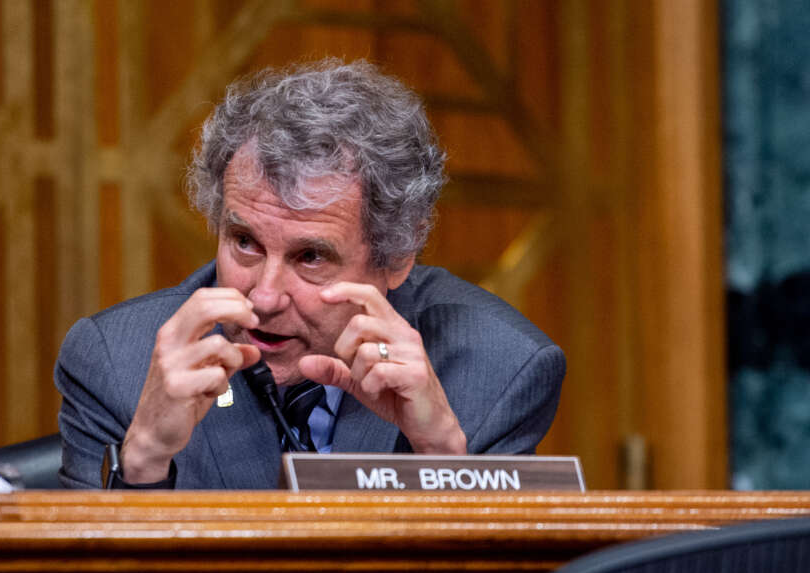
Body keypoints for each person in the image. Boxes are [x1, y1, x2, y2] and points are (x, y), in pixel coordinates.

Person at [55, 59, 565, 489]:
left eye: (311, 258)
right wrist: (143, 460)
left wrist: (444, 459)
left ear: (395, 257)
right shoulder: (115, 363)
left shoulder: (495, 370)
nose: (266, 296)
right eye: (245, 243)